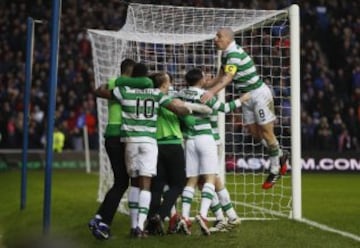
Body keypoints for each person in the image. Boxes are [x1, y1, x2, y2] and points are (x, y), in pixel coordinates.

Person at [96, 63, 211, 238]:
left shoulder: (124, 91)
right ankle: (140, 227)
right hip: (151, 143)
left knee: (135, 182)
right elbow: (179, 110)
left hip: (130, 141)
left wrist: (120, 81)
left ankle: (135, 224)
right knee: (149, 185)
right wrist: (191, 108)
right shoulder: (157, 95)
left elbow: (101, 90)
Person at [200, 27, 289, 190]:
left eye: (218, 36)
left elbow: (228, 78)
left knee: (267, 132)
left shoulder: (234, 54)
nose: (215, 39)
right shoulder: (226, 54)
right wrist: (206, 85)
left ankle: (275, 169)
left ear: (227, 38)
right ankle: (281, 154)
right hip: (247, 97)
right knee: (255, 134)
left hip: (259, 94)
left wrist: (211, 92)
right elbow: (220, 76)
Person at [176, 68, 249, 236]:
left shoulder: (180, 94)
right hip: (210, 140)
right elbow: (224, 107)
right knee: (211, 179)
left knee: (196, 180)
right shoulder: (206, 96)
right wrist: (241, 100)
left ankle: (221, 216)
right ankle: (224, 216)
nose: (207, 78)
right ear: (201, 80)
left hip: (190, 140)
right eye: (205, 76)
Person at [88, 59, 153, 240]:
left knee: (124, 181)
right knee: (124, 182)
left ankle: (101, 218)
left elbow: (98, 90)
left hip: (112, 134)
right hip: (122, 135)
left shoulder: (112, 82)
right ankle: (103, 222)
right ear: (131, 72)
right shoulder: (128, 87)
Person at [145, 72, 201, 236]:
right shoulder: (173, 104)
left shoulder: (151, 101)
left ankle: (150, 224)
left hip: (155, 146)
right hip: (173, 146)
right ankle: (160, 216)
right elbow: (190, 122)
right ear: (163, 85)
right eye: (169, 82)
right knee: (178, 184)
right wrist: (188, 111)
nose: (171, 85)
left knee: (157, 186)